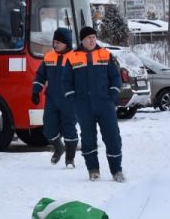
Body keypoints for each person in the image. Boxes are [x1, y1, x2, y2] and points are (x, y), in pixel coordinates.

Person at [63, 26, 125, 182]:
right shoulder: (72, 57)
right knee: (88, 138)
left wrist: (113, 93)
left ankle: (116, 170)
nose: (91, 40)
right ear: (82, 40)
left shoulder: (105, 54)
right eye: (88, 38)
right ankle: (93, 170)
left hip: (105, 104)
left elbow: (116, 77)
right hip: (83, 105)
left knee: (112, 137)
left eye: (93, 37)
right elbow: (66, 81)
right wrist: (73, 98)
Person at [31, 27, 78, 168]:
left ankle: (70, 159)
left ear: (66, 43)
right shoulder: (49, 56)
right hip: (52, 99)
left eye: (58, 42)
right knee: (48, 128)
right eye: (54, 41)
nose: (55, 44)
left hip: (70, 100)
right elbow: (40, 75)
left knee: (69, 129)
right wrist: (35, 90)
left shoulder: (76, 58)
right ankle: (59, 148)